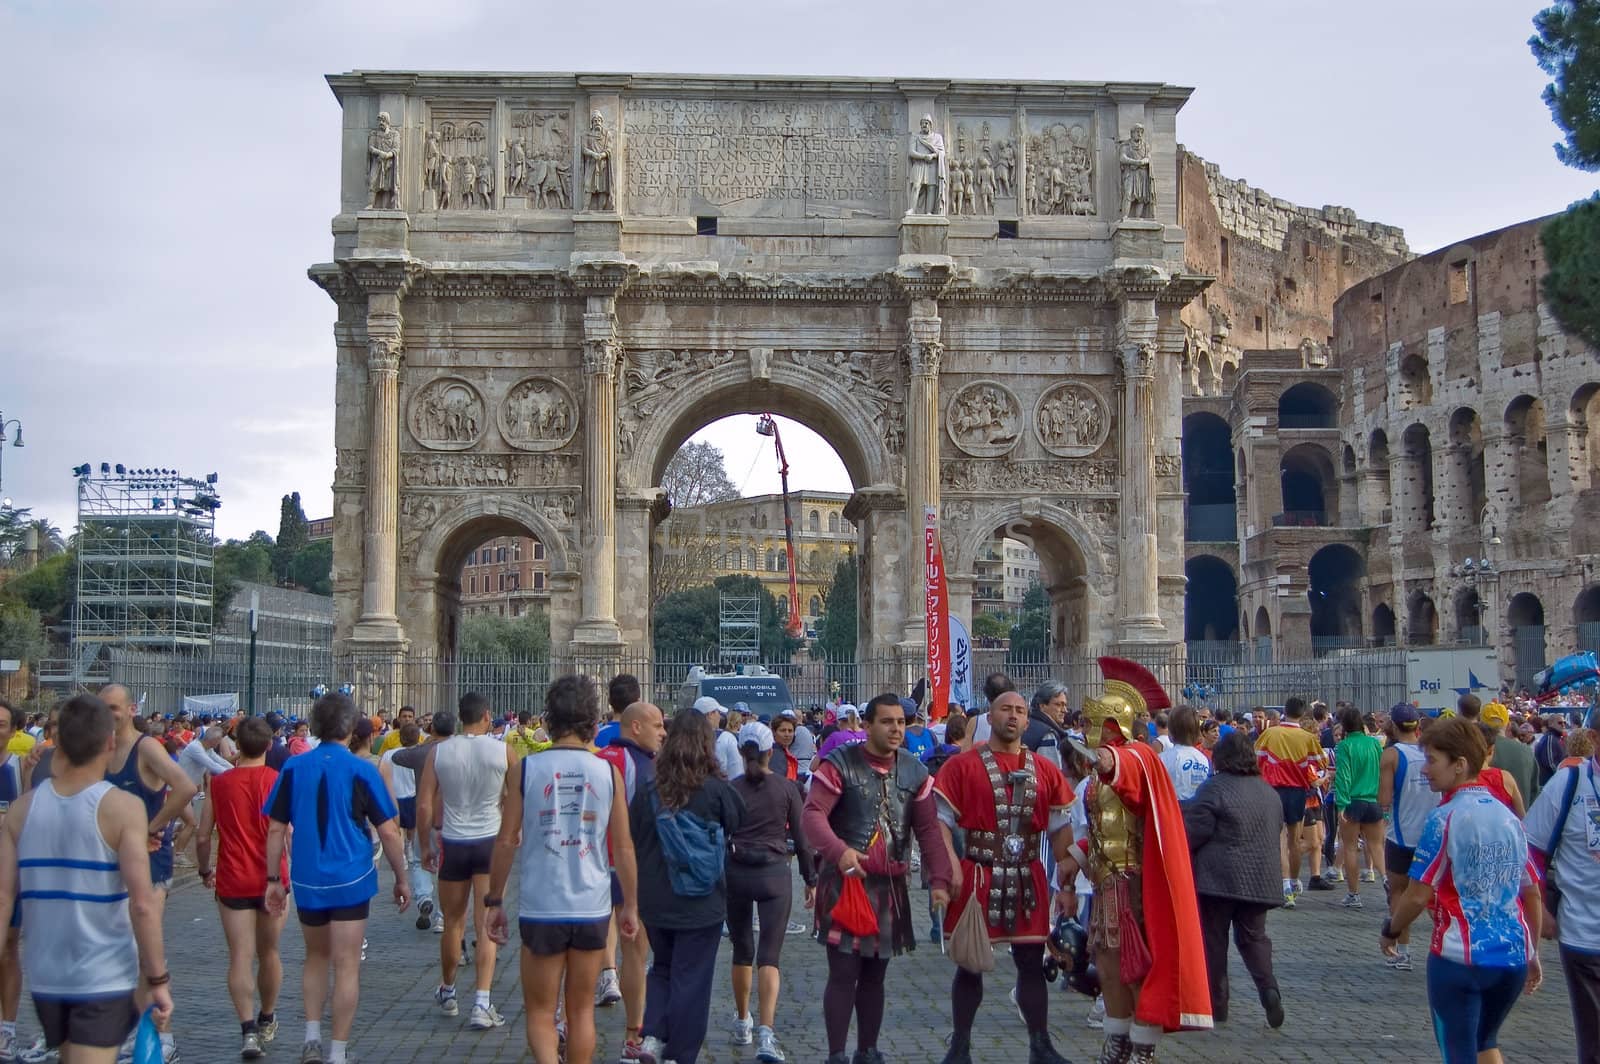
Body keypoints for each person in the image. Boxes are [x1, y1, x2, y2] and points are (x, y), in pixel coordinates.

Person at [0, 695, 173, 1064]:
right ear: (109, 743)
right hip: (102, 974)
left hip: (46, 978)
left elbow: (2, 898)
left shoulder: (19, 812)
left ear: (55, 741)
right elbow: (142, 905)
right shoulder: (123, 809)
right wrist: (158, 980)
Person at [484, 675, 638, 1064]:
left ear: (550, 717)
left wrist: (495, 898)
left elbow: (506, 840)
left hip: (541, 904)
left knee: (540, 1013)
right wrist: (632, 905)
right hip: (591, 905)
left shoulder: (527, 769)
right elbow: (623, 846)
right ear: (592, 719)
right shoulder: (609, 773)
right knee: (582, 1011)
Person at [1070, 657, 1211, 1063]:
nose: (1091, 731)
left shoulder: (1138, 756)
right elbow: (1099, 827)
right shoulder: (1097, 773)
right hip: (1103, 877)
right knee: (1108, 963)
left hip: (1134, 881)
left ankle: (1142, 1045)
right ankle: (1118, 1037)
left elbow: (1129, 772)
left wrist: (1111, 761)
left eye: (1099, 724)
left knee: (1135, 964)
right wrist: (1071, 865)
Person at [1380, 717, 1543, 1064]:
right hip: (1511, 957)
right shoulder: (1508, 817)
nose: (1425, 770)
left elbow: (1417, 895)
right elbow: (1532, 892)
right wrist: (1532, 952)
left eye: (1432, 760)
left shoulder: (1444, 818)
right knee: (1487, 1042)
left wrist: (1391, 929)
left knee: (1458, 1051)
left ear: (1460, 765)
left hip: (1459, 959)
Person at [803, 693, 952, 1064]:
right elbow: (812, 816)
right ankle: (836, 1054)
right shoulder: (839, 764)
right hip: (846, 883)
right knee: (843, 971)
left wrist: (940, 881)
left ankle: (867, 1051)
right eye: (887, 722)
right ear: (866, 726)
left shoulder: (916, 772)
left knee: (875, 973)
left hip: (890, 884)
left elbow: (930, 831)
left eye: (901, 722)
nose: (896, 729)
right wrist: (839, 852)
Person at [264, 692, 409, 1064]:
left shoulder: (294, 768)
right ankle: (338, 1052)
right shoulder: (363, 770)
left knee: (315, 957)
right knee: (346, 964)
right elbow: (389, 831)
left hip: (308, 876)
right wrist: (402, 877)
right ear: (349, 728)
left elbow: (277, 828)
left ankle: (311, 1036)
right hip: (352, 875)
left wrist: (272, 879)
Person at [932, 691, 1074, 1064]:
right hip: (977, 872)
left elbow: (1060, 828)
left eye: (1020, 711)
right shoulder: (961, 766)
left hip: (1028, 871)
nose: (1013, 717)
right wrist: (948, 867)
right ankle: (959, 1046)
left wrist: (1069, 882)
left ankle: (1040, 1045)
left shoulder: (1045, 770)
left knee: (1032, 962)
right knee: (970, 962)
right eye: (1005, 710)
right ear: (990, 717)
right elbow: (940, 823)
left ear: (1028, 721)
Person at [633, 711, 745, 1064]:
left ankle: (652, 1035)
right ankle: (679, 1054)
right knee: (692, 978)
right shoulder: (715, 789)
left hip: (656, 898)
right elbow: (739, 821)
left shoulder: (649, 788)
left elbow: (634, 837)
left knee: (663, 967)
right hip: (702, 900)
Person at [100, 684, 194, 1063]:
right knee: (119, 949)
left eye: (114, 708)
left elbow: (186, 787)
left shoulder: (147, 748)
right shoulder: (100, 750)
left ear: (130, 708)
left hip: (151, 862)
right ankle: (128, 1028)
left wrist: (152, 827)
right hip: (113, 862)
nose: (109, 715)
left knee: (145, 946)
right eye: (101, 708)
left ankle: (161, 1035)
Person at [417, 692, 519, 1031]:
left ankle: (448, 991)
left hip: (455, 841)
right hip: (489, 841)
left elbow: (424, 805)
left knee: (453, 922)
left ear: (461, 717)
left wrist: (425, 846)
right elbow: (517, 797)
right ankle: (482, 1002)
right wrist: (513, 833)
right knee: (486, 922)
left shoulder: (440, 751)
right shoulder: (503, 750)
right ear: (487, 716)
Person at [196, 717, 287, 1060]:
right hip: (273, 878)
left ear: (235, 747)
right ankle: (268, 1016)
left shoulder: (220, 784)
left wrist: (206, 870)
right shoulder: (278, 782)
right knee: (270, 953)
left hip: (233, 878)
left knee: (239, 956)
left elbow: (203, 836)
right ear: (268, 746)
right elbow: (289, 833)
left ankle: (248, 1030)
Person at [723, 721, 813, 1063]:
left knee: (742, 949)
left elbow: (722, 832)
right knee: (770, 955)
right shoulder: (788, 789)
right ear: (770, 752)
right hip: (775, 872)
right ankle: (766, 1033)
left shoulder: (731, 788)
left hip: (738, 871)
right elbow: (803, 841)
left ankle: (743, 1019)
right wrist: (811, 878)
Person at [1182, 731, 1285, 1027]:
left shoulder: (1215, 788)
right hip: (1260, 878)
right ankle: (1268, 988)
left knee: (1214, 941)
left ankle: (1217, 1003)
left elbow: (1195, 831)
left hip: (1218, 879)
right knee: (1254, 938)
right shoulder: (1269, 792)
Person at [594, 701, 665, 1060]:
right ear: (635, 727)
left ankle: (564, 1025)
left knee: (579, 953)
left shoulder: (596, 758)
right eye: (657, 725)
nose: (663, 732)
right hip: (630, 866)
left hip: (589, 867)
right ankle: (633, 1036)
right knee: (636, 953)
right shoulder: (645, 766)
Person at [1524, 730, 1600, 1064]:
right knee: (1595, 1041)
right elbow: (1530, 852)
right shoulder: (1569, 783)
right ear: (1595, 738)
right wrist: (1541, 909)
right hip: (1584, 935)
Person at [1254, 696, 1327, 908]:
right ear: (1303, 714)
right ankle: (1293, 883)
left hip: (1273, 791)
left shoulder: (1270, 734)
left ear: (1284, 711)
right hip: (1297, 793)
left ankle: (1285, 884)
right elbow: (1319, 764)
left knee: (1279, 840)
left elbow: (1257, 760)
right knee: (1294, 841)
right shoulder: (1307, 738)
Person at [379, 721, 438, 933]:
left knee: (399, 836)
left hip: (395, 797)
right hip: (416, 799)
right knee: (415, 837)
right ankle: (441, 915)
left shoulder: (393, 754)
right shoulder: (426, 752)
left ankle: (404, 862)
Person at [1330, 705, 1386, 910]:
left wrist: (1341, 804)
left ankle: (1354, 894)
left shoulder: (1344, 746)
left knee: (1351, 848)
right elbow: (1381, 772)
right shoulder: (1374, 744)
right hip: (1373, 800)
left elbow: (1343, 776)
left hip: (1353, 800)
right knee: (1377, 846)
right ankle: (1387, 880)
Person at [1482, 700, 1540, 806]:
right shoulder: (1526, 751)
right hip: (1520, 818)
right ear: (1508, 725)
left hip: (1482, 818)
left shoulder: (1476, 751)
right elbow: (1534, 791)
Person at [1157, 705, 1211, 802]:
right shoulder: (1203, 759)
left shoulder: (1162, 759)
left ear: (1171, 732)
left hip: (1173, 811)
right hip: (1198, 811)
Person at [693, 697, 744, 781]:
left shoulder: (686, 738)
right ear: (710, 714)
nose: (720, 717)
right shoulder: (727, 738)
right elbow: (737, 773)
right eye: (718, 712)